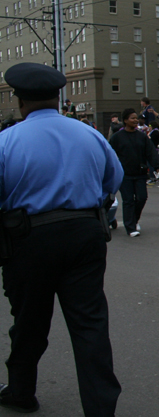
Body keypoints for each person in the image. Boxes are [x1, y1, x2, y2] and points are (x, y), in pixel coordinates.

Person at [0, 62, 123, 415]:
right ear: (59, 97)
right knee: (90, 325)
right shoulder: (89, 134)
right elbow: (111, 180)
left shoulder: (7, 140)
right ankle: (101, 408)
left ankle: (21, 391)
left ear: (19, 100)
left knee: (28, 321)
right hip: (85, 234)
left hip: (28, 238)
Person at [109, 108, 159, 236]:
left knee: (142, 198)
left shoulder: (142, 137)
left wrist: (158, 166)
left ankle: (134, 220)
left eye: (136, 118)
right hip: (124, 175)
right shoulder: (117, 137)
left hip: (139, 173)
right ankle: (130, 228)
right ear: (125, 120)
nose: (135, 120)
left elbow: (151, 152)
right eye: (132, 118)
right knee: (128, 200)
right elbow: (109, 155)